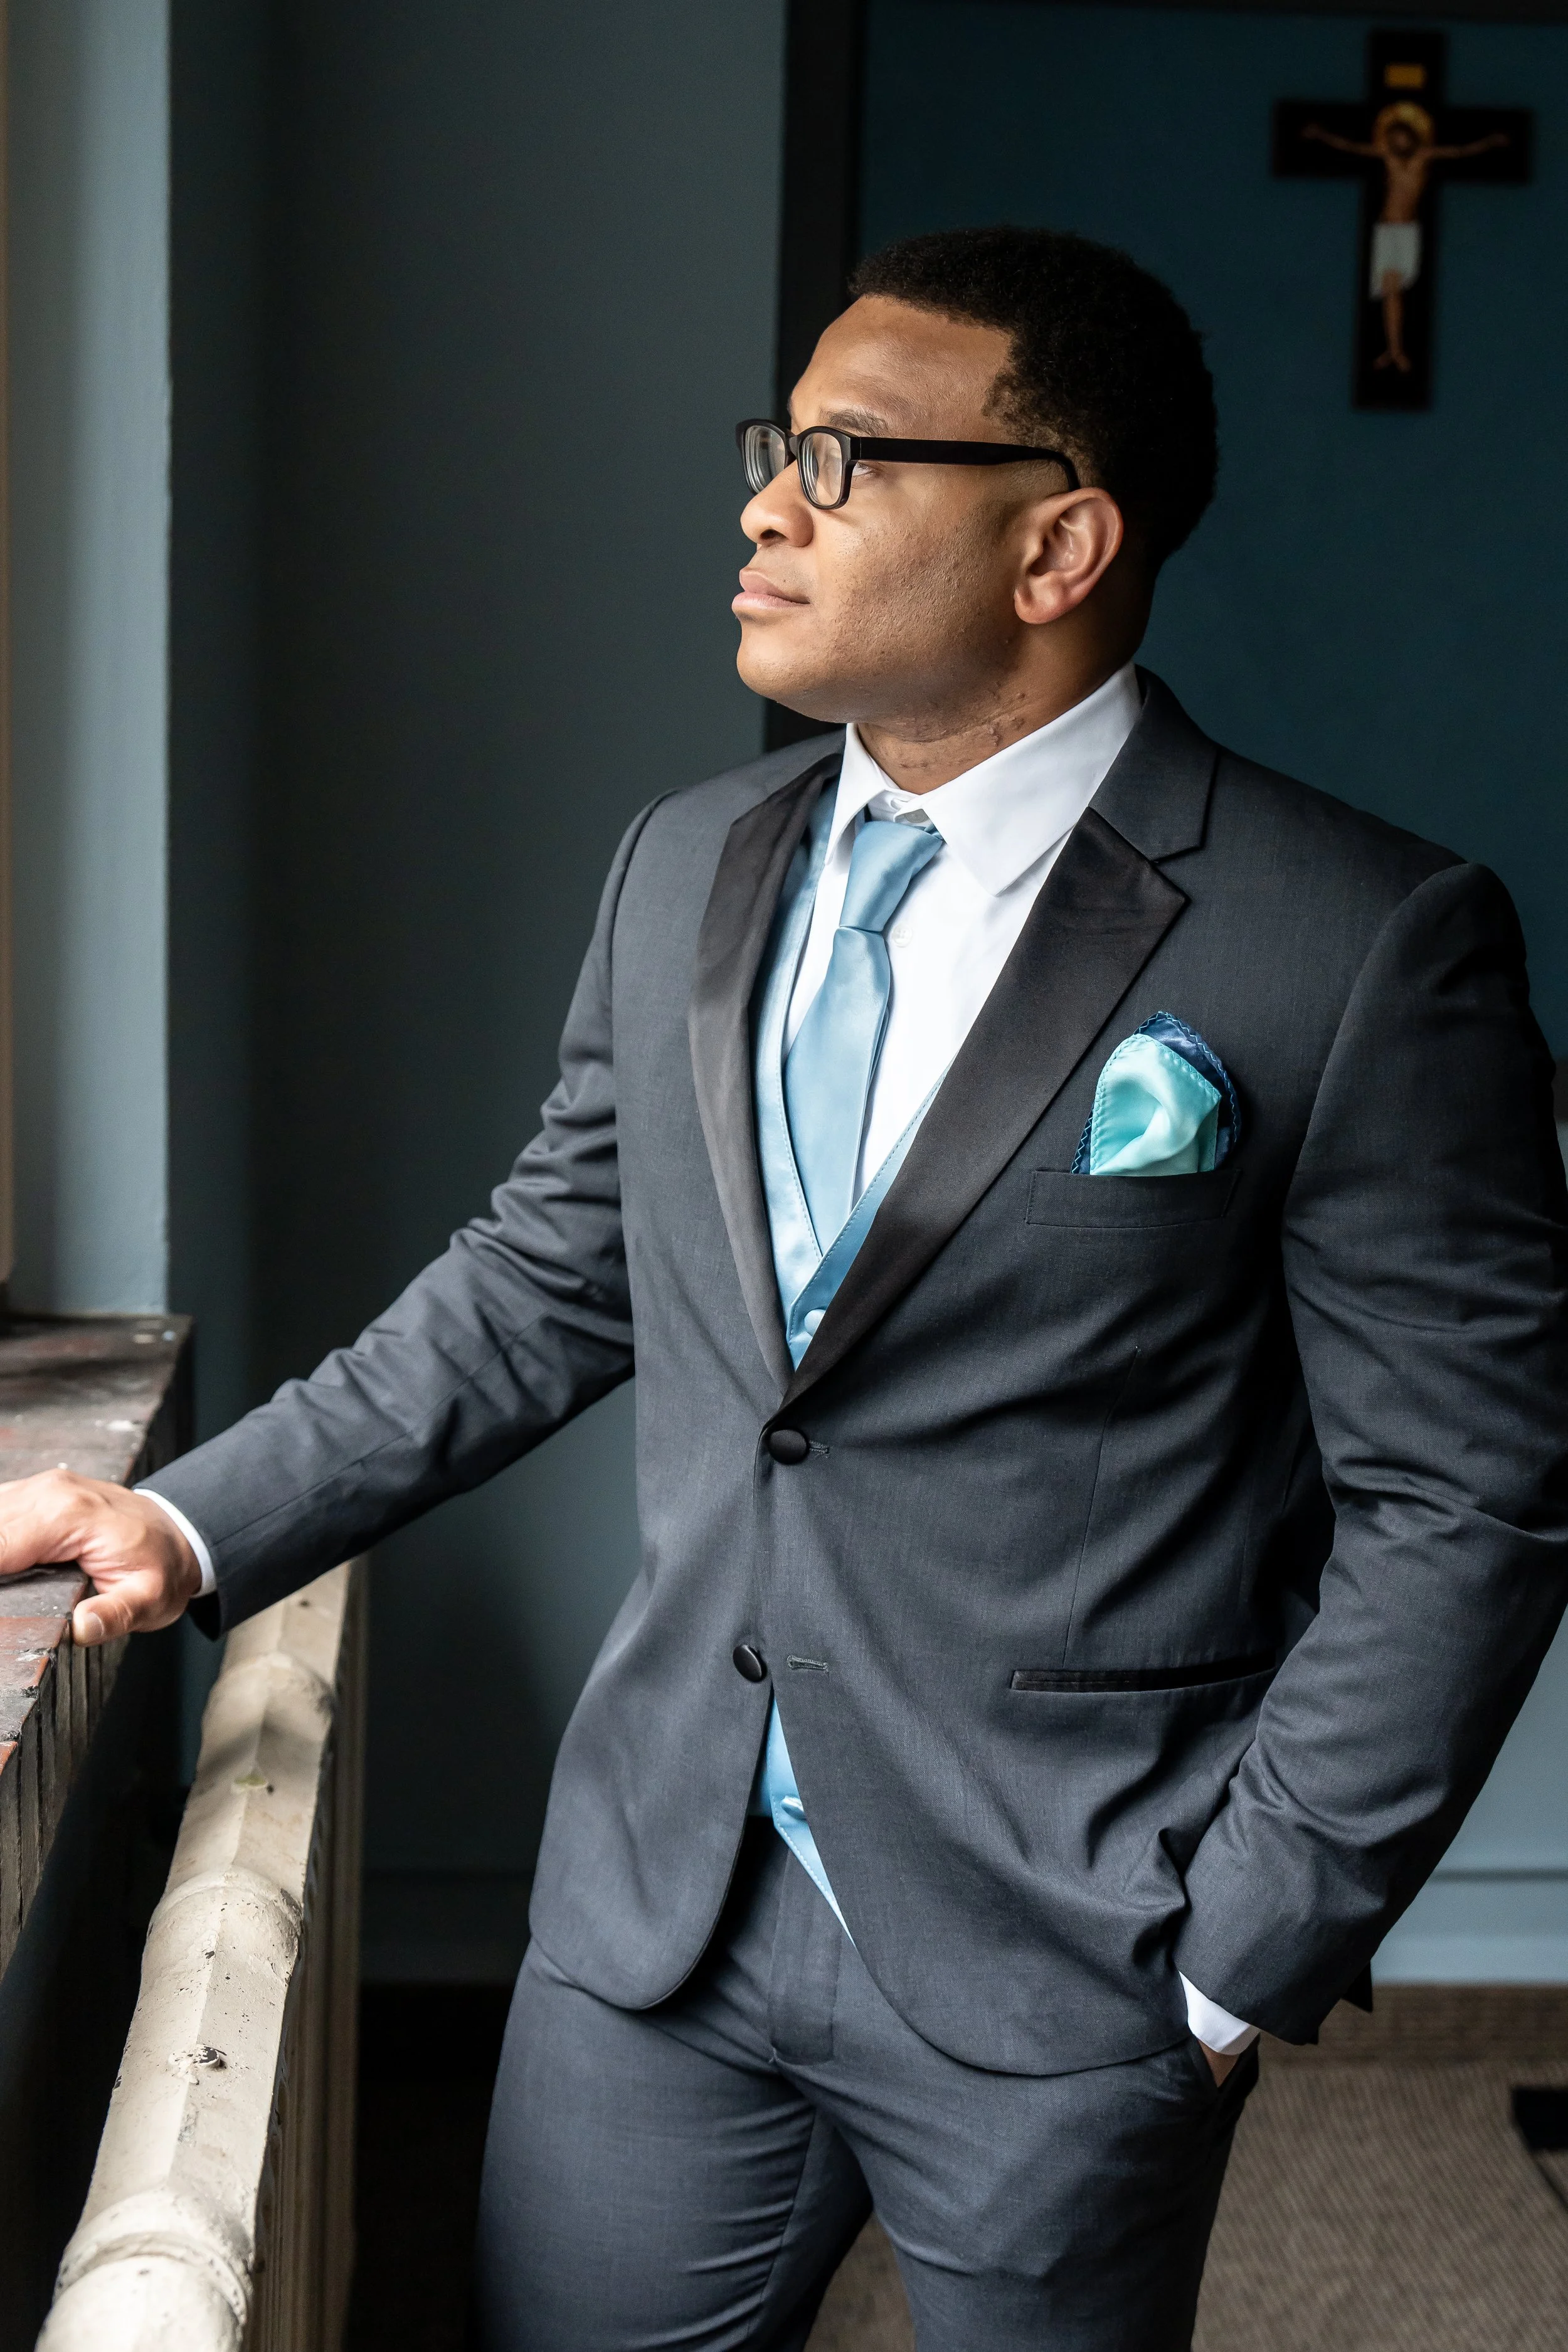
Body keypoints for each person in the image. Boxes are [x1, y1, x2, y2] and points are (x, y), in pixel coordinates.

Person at [4, 225, 1566, 2349]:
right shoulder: (685, 864)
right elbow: (544, 1278)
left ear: (1057, 544)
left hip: (1080, 1934)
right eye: (776, 448)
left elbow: (1465, 1496)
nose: (764, 506)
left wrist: (1241, 1947)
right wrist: (187, 1521)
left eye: (843, 460)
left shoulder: (1355, 938)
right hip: (656, 1907)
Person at [1304, 106, 1510, 372]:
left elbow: (1460, 152)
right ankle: (1394, 349)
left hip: (1408, 232)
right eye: (1394, 139)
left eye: (1403, 138)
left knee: (1399, 291)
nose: (1399, 143)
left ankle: (1396, 349)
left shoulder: (1423, 157)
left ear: (1413, 138)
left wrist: (1489, 143)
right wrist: (1322, 136)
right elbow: (1353, 148)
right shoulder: (1388, 157)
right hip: (1387, 230)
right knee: (1390, 292)